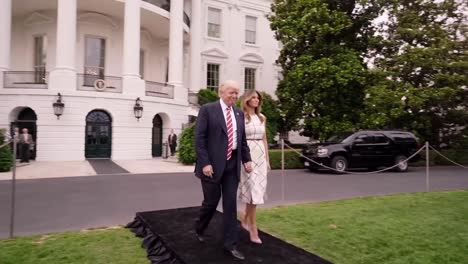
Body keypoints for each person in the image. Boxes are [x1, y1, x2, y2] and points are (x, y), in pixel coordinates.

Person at [194, 80, 253, 261]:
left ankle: (230, 244)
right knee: (211, 203)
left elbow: (242, 141)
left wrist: (247, 159)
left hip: (232, 166)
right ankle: (200, 227)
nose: (234, 96)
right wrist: (205, 163)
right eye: (231, 92)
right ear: (221, 92)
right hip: (211, 166)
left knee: (230, 206)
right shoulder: (208, 110)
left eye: (237, 93)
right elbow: (200, 138)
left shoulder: (239, 113)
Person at [238, 90, 270, 244]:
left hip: (260, 156)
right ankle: (253, 228)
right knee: (252, 189)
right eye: (253, 97)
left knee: (257, 190)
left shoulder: (262, 117)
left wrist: (268, 160)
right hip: (247, 155)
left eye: (258, 98)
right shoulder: (241, 117)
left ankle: (244, 217)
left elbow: (264, 140)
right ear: (247, 100)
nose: (256, 100)